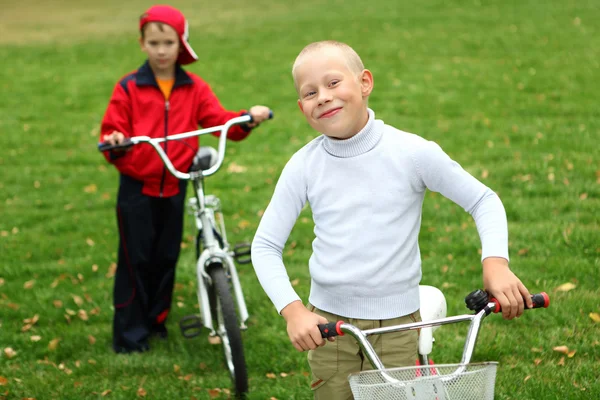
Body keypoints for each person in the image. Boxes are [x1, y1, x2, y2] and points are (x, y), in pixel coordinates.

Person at [251, 40, 532, 399]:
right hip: (329, 327)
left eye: (333, 83)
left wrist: (496, 263)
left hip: (397, 328)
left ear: (365, 83)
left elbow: (483, 199)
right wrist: (293, 311)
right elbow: (265, 245)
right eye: (309, 92)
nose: (322, 96)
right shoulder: (304, 165)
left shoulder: (410, 152)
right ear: (301, 106)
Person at [99, 4, 271, 354]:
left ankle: (156, 323)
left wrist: (246, 118)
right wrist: (116, 140)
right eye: (154, 43)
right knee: (136, 261)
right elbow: (112, 132)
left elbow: (219, 120)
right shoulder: (129, 88)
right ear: (142, 43)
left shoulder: (193, 88)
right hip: (137, 189)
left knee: (164, 258)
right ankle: (130, 336)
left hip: (176, 184)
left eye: (168, 43)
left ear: (181, 44)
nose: (161, 51)